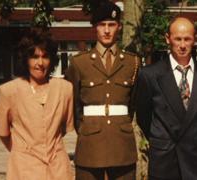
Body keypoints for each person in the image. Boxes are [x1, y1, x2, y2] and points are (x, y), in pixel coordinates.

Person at [135, 16, 197, 180]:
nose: (182, 45)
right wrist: (161, 139)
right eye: (177, 39)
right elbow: (144, 117)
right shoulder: (149, 75)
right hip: (165, 159)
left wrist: (195, 136)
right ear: (167, 39)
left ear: (195, 39)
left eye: (187, 39)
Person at [65, 1, 140, 179]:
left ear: (119, 27)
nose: (107, 30)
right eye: (102, 25)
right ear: (95, 27)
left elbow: (133, 103)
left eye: (112, 25)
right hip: (90, 144)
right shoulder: (79, 63)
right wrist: (86, 129)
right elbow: (75, 106)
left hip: (122, 145)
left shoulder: (133, 62)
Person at [0, 30, 74, 180]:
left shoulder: (65, 89)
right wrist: (23, 152)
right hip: (24, 169)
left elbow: (64, 128)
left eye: (45, 56)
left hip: (57, 168)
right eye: (34, 57)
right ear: (25, 59)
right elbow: (3, 133)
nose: (40, 63)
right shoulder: (9, 91)